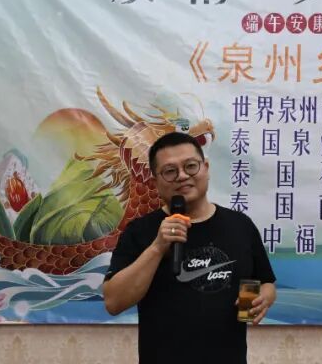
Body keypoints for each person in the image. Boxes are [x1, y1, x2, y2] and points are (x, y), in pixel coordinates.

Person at [103, 131, 276, 363]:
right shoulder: (140, 231)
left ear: (206, 168)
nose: (182, 176)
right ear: (155, 181)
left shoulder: (240, 225)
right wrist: (157, 248)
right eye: (170, 171)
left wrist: (263, 298)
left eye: (191, 166)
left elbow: (264, 282)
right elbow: (113, 302)